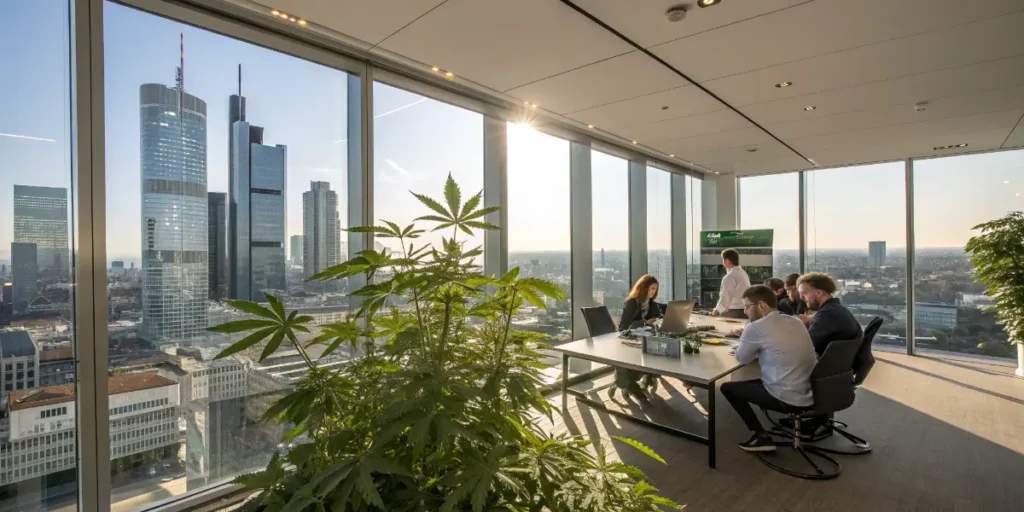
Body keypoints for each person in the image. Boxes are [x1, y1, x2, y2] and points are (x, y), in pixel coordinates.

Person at [720, 285, 817, 452]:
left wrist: (744, 344)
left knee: (728, 388)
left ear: (762, 306)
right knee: (751, 381)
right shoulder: (795, 321)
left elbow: (743, 358)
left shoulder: (755, 327)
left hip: (787, 396)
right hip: (811, 389)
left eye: (747, 306)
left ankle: (761, 436)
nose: (744, 311)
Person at [613, 275, 663, 400]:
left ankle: (647, 377)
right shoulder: (632, 302)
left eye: (655, 289)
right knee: (653, 349)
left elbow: (658, 316)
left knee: (661, 348)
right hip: (628, 338)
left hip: (643, 338)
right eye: (652, 288)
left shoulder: (651, 304)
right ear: (644, 288)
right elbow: (625, 326)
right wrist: (645, 323)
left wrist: (661, 319)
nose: (654, 292)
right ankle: (632, 382)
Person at [796, 272, 862, 356]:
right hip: (838, 364)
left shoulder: (826, 315)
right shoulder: (836, 310)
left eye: (804, 293)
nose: (801, 297)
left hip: (820, 366)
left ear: (819, 293)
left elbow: (804, 347)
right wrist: (812, 319)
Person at [711, 248, 751, 319]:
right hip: (746, 310)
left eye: (723, 259)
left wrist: (717, 310)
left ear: (727, 261)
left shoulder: (729, 277)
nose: (722, 262)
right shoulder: (743, 273)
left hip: (734, 312)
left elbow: (725, 298)